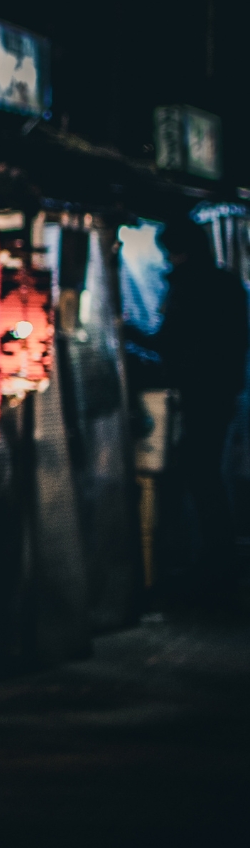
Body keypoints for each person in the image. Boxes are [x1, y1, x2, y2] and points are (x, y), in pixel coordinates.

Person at [153, 216, 248, 608]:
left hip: (199, 392)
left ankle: (210, 563)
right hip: (221, 392)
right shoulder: (227, 283)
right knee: (206, 473)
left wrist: (129, 335)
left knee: (199, 474)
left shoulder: (189, 285)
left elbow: (170, 342)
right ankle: (216, 562)